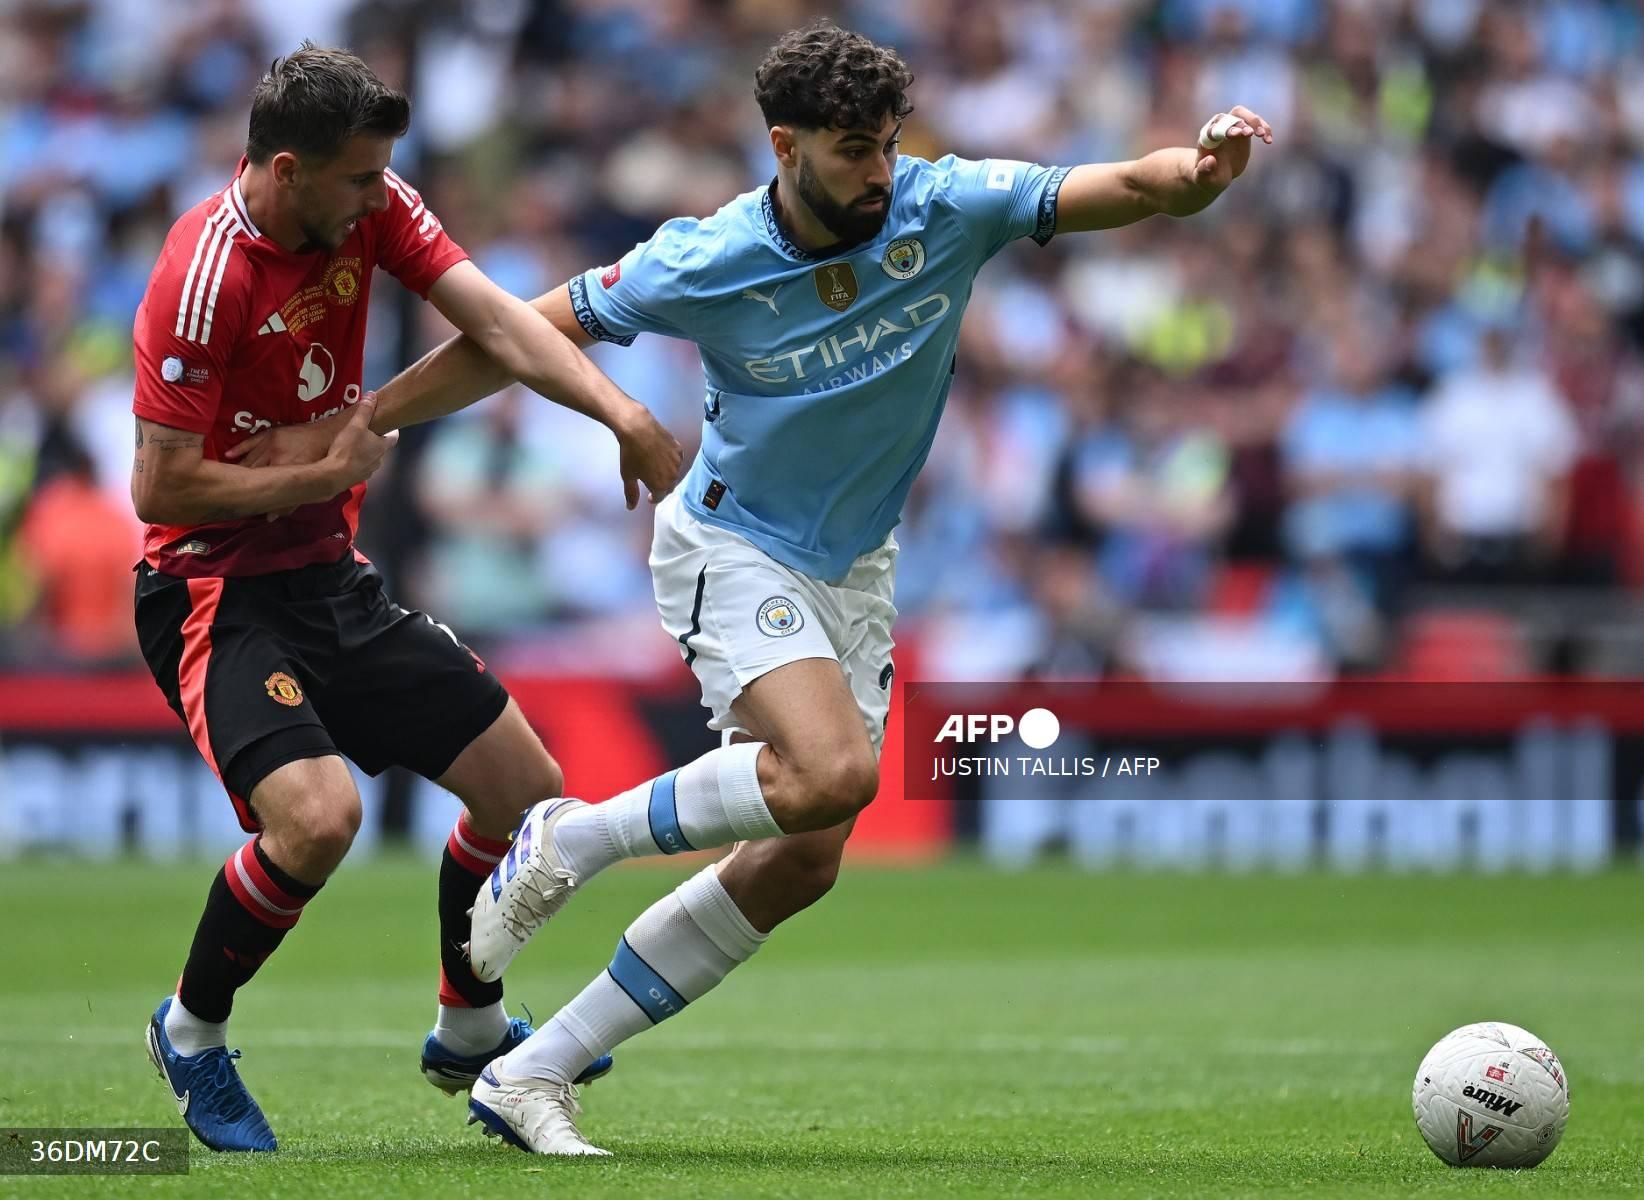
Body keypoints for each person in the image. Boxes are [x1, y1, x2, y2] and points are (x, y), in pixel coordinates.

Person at [241, 21, 1272, 1155]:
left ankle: (536, 1070)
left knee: (806, 854)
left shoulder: (947, 204)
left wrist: (1201, 172)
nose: (879, 172)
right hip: (731, 546)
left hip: (859, 569)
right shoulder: (706, 256)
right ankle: (572, 842)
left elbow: (1129, 183)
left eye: (885, 145)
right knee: (830, 770)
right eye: (851, 151)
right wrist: (373, 416)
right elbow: (512, 335)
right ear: (784, 145)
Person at [130, 43, 681, 1153]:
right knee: (321, 819)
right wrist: (322, 474)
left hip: (328, 578)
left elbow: (501, 321)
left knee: (526, 789)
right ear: (286, 172)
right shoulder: (204, 277)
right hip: (213, 591)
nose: (382, 197)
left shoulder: (369, 210)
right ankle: (190, 1033)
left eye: (386, 176)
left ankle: (468, 1024)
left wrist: (616, 412)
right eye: (361, 179)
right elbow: (159, 483)